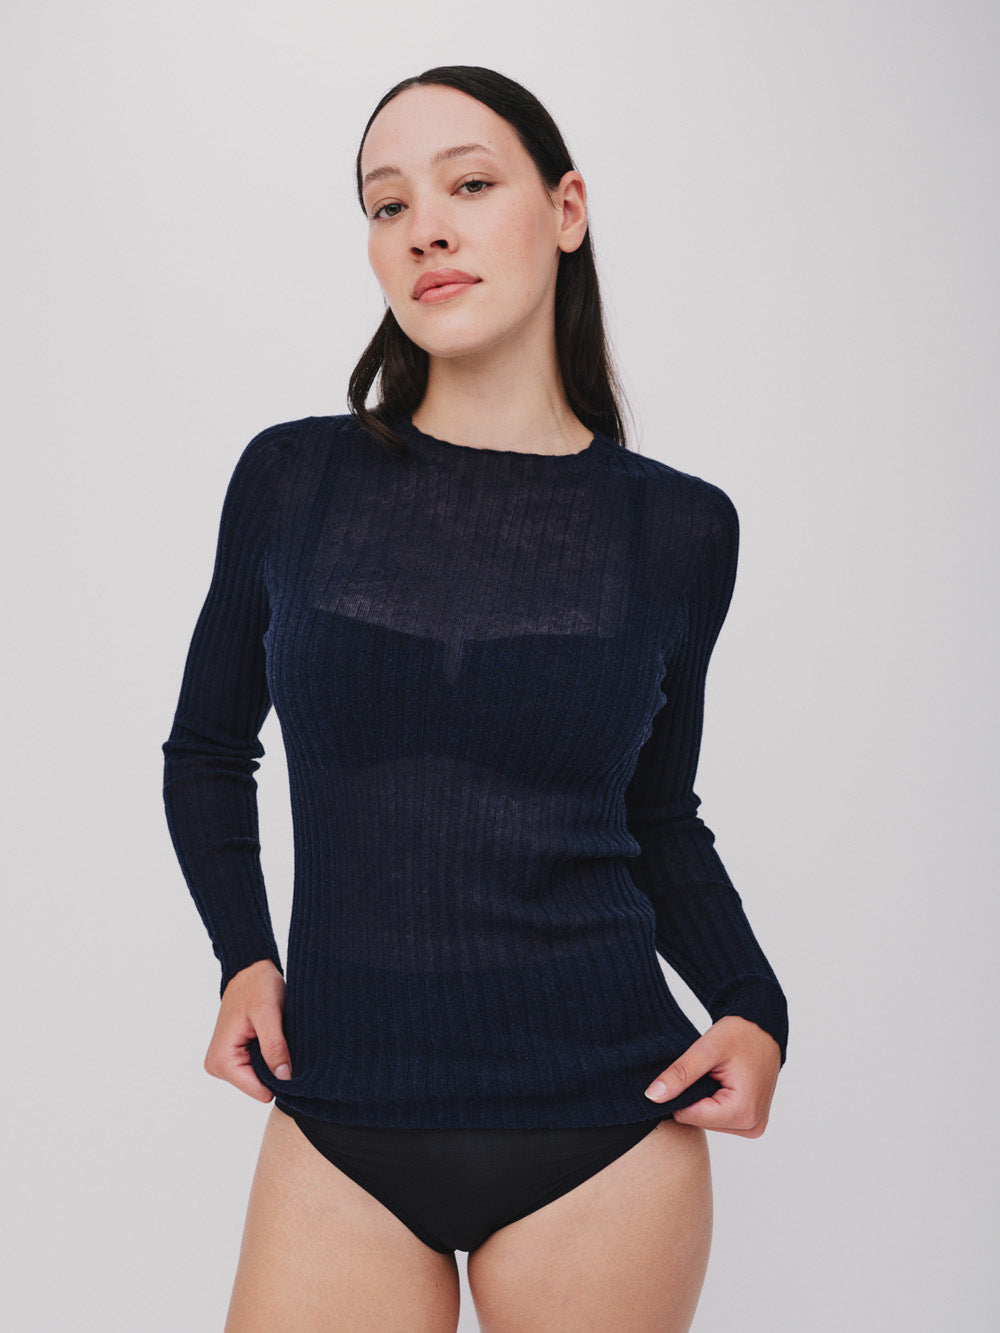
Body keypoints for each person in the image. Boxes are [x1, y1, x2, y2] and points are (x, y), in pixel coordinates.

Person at [161, 64, 788, 1333]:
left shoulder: (677, 527)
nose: (425, 229)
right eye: (386, 206)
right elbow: (209, 746)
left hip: (603, 1130)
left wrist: (752, 1005)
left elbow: (659, 814)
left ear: (565, 211)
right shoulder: (293, 477)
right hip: (338, 1115)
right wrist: (242, 954)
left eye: (470, 184)